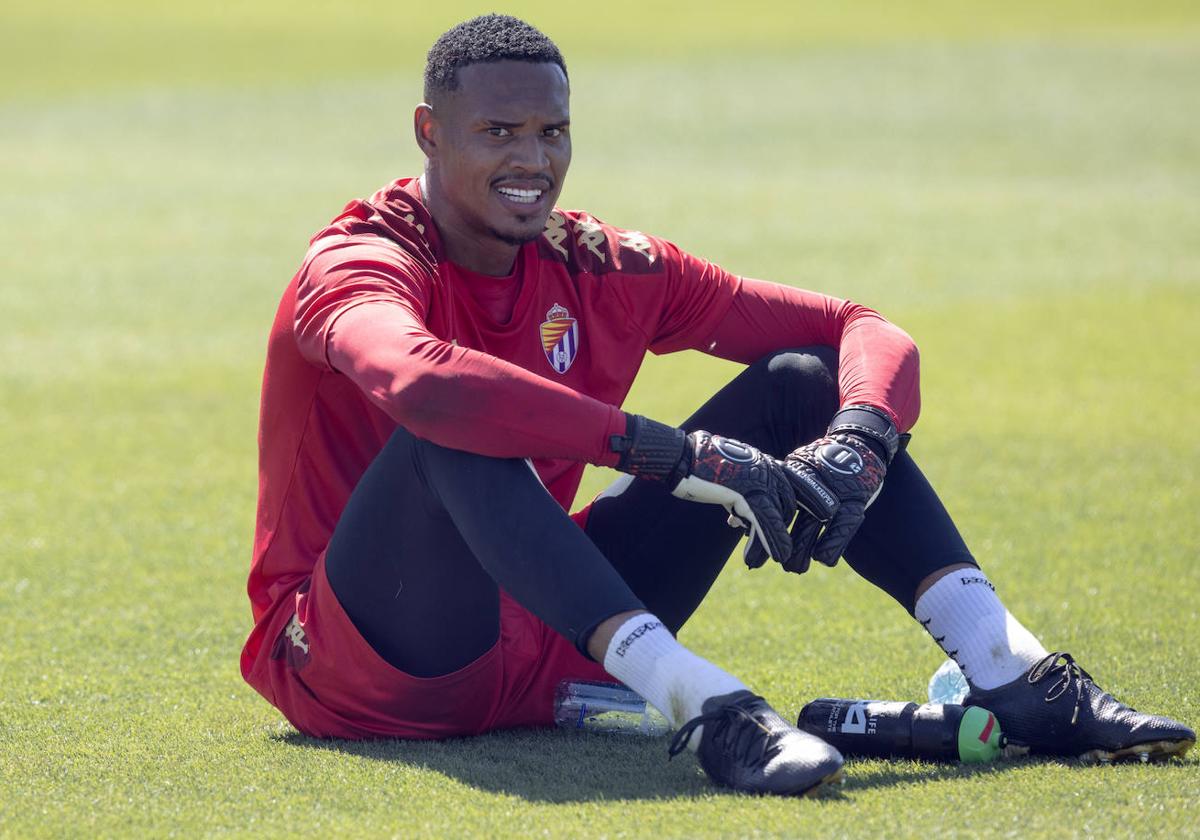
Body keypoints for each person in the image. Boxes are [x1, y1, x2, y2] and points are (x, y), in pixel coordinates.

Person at [240, 14, 1193, 796]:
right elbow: (429, 386)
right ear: (428, 132)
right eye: (498, 132)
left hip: (550, 641)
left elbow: (859, 327)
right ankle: (710, 709)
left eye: (552, 131)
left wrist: (857, 440)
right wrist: (676, 456)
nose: (532, 159)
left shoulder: (599, 261)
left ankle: (1015, 675)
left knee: (802, 384)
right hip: (360, 663)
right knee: (450, 435)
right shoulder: (360, 259)